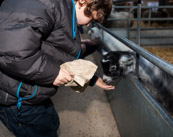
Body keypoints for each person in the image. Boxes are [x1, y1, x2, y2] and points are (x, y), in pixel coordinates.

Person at [0, 0, 114, 136]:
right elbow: (13, 51)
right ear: (84, 1)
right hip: (18, 99)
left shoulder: (63, 11)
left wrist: (91, 78)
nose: (89, 24)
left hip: (33, 90)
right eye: (91, 18)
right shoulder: (48, 5)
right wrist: (53, 73)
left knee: (52, 123)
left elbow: (57, 51)